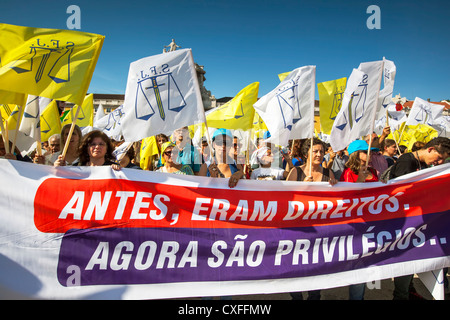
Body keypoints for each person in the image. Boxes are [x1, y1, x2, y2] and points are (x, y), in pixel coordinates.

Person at [387, 137, 450, 300]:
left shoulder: (421, 163)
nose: (440, 161)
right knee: (408, 259)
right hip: (404, 222)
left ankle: (409, 291)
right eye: (439, 157)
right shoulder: (407, 162)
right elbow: (400, 192)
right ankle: (400, 295)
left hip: (415, 221)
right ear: (430, 150)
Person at [339, 139, 379, 300]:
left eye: (371, 151)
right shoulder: (348, 173)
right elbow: (348, 199)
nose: (370, 155)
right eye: (365, 151)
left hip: (373, 223)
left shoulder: (374, 171)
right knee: (359, 265)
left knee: (367, 264)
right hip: (357, 225)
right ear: (356, 155)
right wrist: (361, 180)